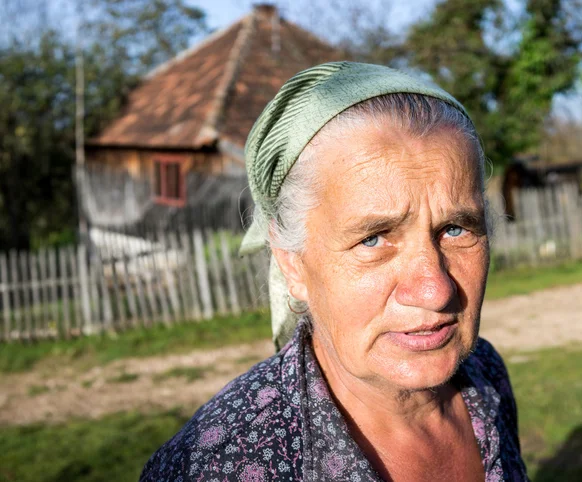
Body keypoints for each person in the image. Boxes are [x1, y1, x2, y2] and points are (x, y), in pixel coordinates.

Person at [140, 62, 528, 481]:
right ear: (293, 261)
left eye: (456, 229)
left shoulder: (484, 376)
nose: (434, 289)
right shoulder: (217, 466)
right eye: (374, 239)